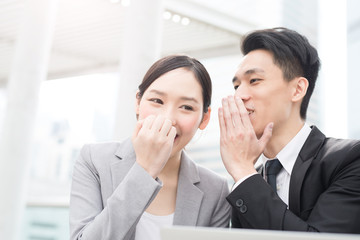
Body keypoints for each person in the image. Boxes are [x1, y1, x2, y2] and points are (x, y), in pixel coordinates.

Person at [69, 55, 230, 240]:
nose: (168, 119)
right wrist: (145, 169)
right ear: (138, 102)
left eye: (186, 107)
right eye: (157, 101)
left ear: (205, 118)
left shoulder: (216, 190)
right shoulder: (94, 160)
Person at [218, 27, 360, 233]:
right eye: (236, 86)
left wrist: (243, 172)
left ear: (297, 89)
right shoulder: (249, 177)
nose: (239, 96)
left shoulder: (349, 159)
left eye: (254, 81)